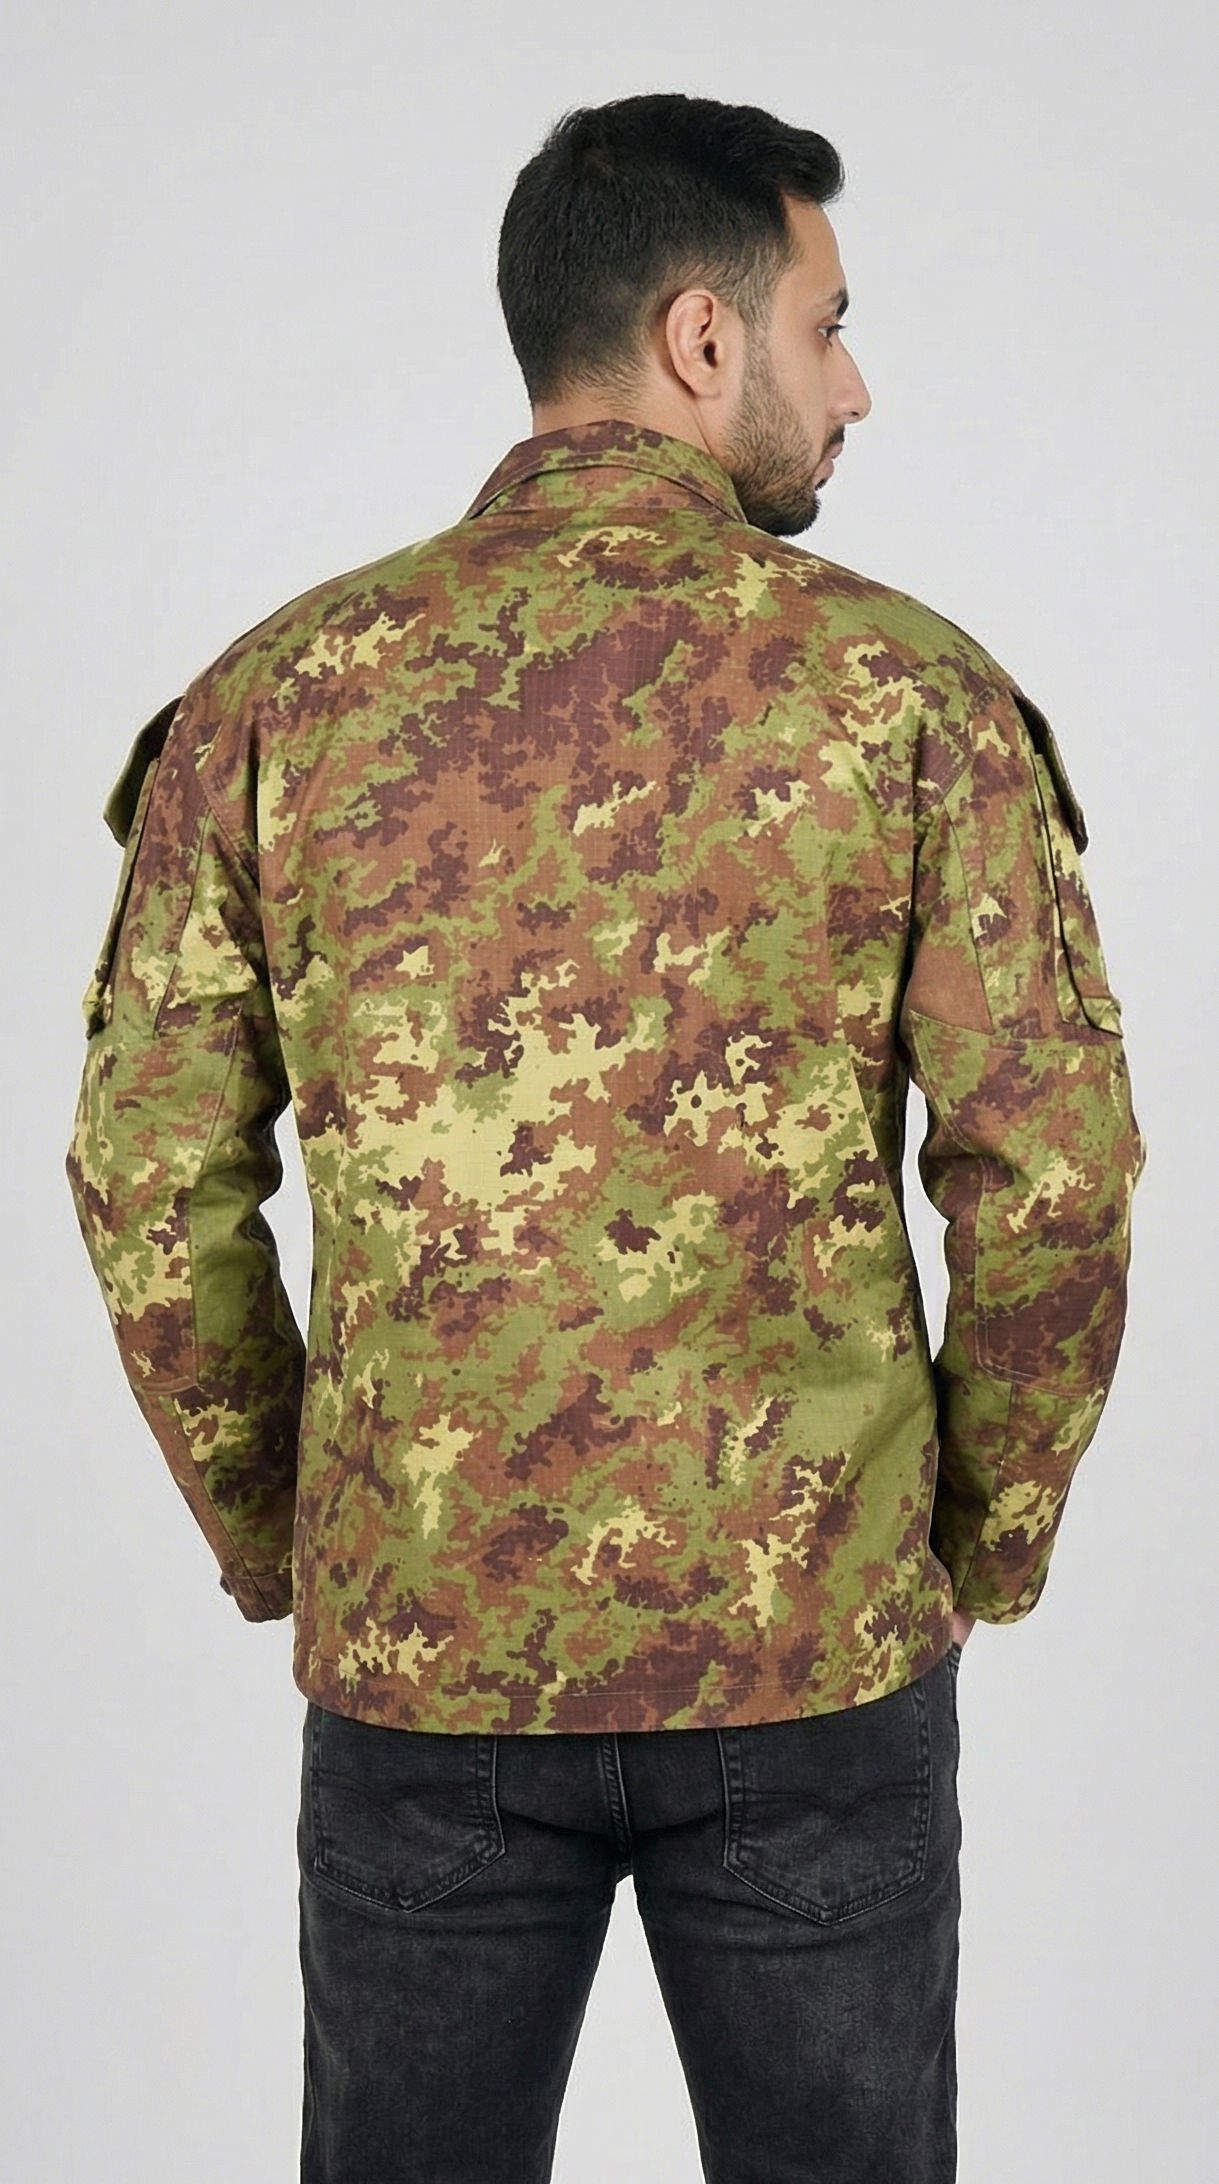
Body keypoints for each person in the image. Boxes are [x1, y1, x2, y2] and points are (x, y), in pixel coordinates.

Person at [68, 93, 1142, 2184]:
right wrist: (974, 1544)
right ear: (701, 337)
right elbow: (1055, 1172)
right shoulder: (908, 694)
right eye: (828, 324)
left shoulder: (280, 698)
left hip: (426, 1669)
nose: (856, 386)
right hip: (812, 1651)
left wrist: (307, 1539)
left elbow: (146, 1176)